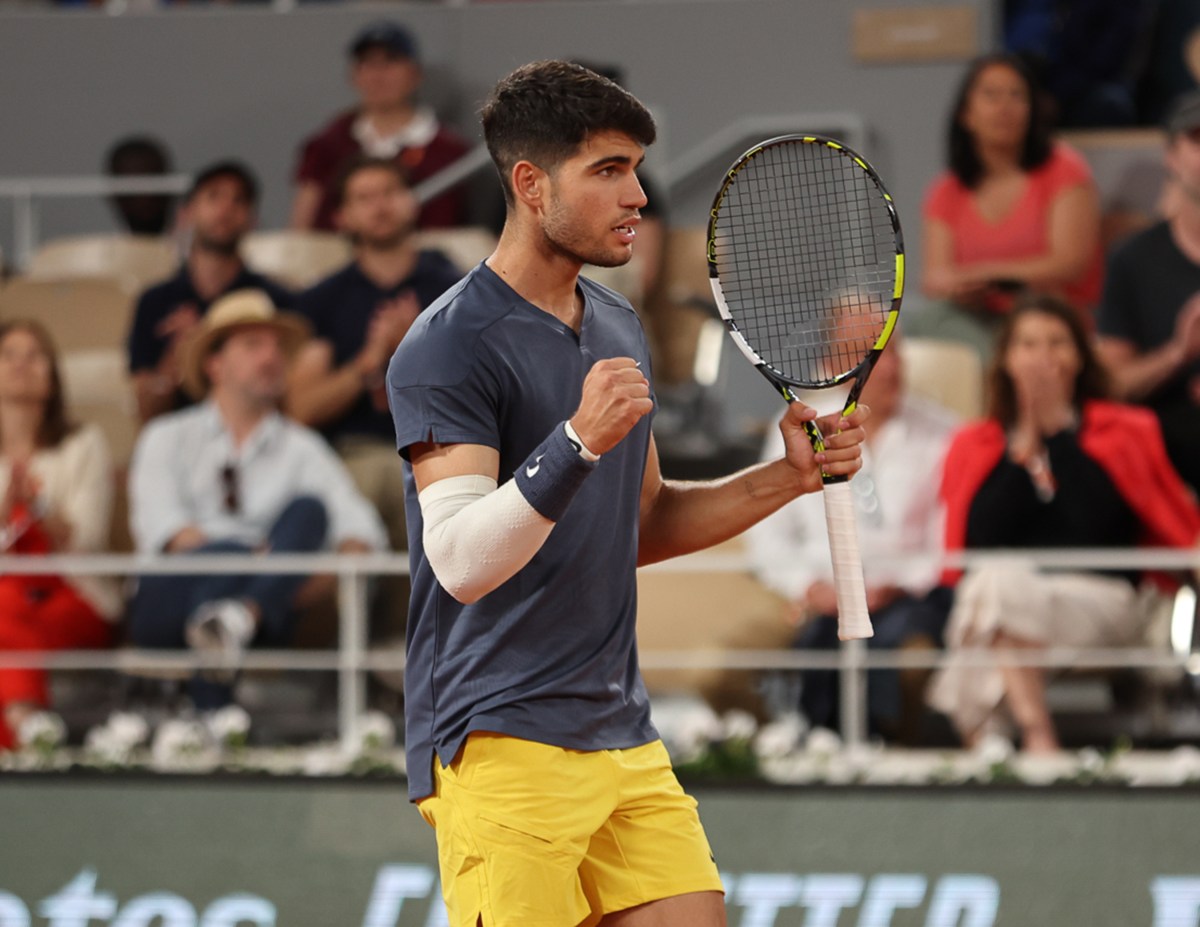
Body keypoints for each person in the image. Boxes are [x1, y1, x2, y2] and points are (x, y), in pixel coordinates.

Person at [386, 60, 868, 927]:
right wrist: (575, 443)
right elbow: (458, 561)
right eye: (608, 170)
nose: (638, 195)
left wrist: (788, 477)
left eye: (636, 169)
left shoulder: (616, 324)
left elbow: (640, 522)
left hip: (621, 732)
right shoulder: (446, 346)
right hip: (499, 737)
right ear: (531, 184)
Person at [927, 293, 1200, 753]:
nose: (1043, 357)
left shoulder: (1126, 430)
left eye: (1057, 343)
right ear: (1006, 359)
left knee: (990, 597)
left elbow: (1100, 530)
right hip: (1008, 598)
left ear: (1080, 357)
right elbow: (981, 540)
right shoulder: (975, 443)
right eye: (1028, 344)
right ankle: (1036, 734)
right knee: (997, 582)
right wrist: (1024, 446)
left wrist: (1058, 432)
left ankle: (989, 740)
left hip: (1103, 599)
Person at [127, 290, 387, 713]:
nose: (271, 357)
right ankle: (241, 617)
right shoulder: (166, 437)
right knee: (212, 573)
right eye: (253, 345)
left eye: (276, 347)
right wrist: (272, 565)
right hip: (170, 601)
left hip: (266, 619)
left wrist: (301, 581)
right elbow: (171, 537)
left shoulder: (303, 448)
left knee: (310, 511)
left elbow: (362, 533)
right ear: (214, 364)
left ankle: (237, 628)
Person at [739, 330, 957, 741]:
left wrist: (896, 585)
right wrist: (809, 587)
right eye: (872, 354)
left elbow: (949, 536)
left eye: (895, 352)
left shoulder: (946, 432)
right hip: (814, 599)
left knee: (900, 647)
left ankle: (879, 750)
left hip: (908, 599)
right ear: (834, 365)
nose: (890, 367)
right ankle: (806, 746)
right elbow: (767, 537)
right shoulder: (798, 429)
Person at [288, 157, 462, 555]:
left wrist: (414, 350)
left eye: (390, 193)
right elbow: (300, 411)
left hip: (443, 447)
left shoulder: (458, 291)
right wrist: (370, 360)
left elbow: (487, 389)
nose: (380, 206)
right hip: (352, 453)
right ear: (342, 217)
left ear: (412, 202)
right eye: (364, 198)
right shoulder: (322, 300)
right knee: (366, 488)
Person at [912, 52, 1104, 362]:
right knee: (921, 323)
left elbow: (1070, 263)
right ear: (966, 114)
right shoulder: (946, 190)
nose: (1005, 107)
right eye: (991, 95)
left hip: (1052, 316)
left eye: (1017, 95)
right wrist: (961, 288)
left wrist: (988, 275)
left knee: (1018, 346)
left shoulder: (1065, 169)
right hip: (976, 320)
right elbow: (934, 278)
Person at [0, 321, 120, 751]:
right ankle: (25, 726)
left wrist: (38, 507)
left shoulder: (84, 444)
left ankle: (21, 739)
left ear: (52, 378)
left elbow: (89, 539)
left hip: (73, 595)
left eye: (35, 355)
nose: (21, 364)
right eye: (9, 354)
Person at [127, 160, 292, 425]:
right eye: (213, 196)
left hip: (260, 433)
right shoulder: (154, 301)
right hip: (177, 437)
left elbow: (290, 402)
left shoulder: (275, 300)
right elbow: (146, 413)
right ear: (186, 213)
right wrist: (183, 353)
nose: (225, 209)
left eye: (239, 200)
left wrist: (207, 337)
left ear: (252, 220)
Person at [1095, 89, 1200, 494]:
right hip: (1163, 453)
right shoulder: (1133, 260)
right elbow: (1112, 384)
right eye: (1197, 140)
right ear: (1171, 156)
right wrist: (1177, 353)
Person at [290, 20, 471, 233]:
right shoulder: (329, 143)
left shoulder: (449, 151)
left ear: (415, 74)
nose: (378, 75)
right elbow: (302, 224)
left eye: (390, 62)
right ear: (353, 75)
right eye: (368, 63)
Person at [104, 135, 176, 236]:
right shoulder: (99, 243)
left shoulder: (190, 242)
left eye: (153, 183)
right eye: (131, 187)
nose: (146, 195)